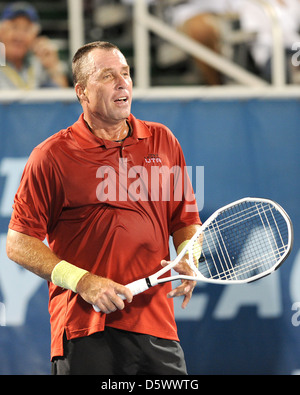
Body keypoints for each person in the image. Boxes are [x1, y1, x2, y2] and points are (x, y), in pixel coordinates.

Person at [6, 41, 201, 375]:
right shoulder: (51, 156)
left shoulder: (164, 141)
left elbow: (185, 220)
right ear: (81, 91)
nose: (122, 82)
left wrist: (189, 255)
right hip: (86, 329)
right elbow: (18, 243)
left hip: (157, 326)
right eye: (108, 76)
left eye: (125, 73)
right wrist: (84, 282)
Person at [0, 2, 69, 89]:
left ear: (35, 36)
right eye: (14, 27)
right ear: (1, 32)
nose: (20, 36)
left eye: (26, 29)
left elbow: (62, 98)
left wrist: (54, 67)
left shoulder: (38, 65)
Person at [238, 0, 300, 83]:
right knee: (281, 67)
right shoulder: (252, 4)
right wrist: (281, 40)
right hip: (269, 52)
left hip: (294, 46)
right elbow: (253, 34)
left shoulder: (292, 2)